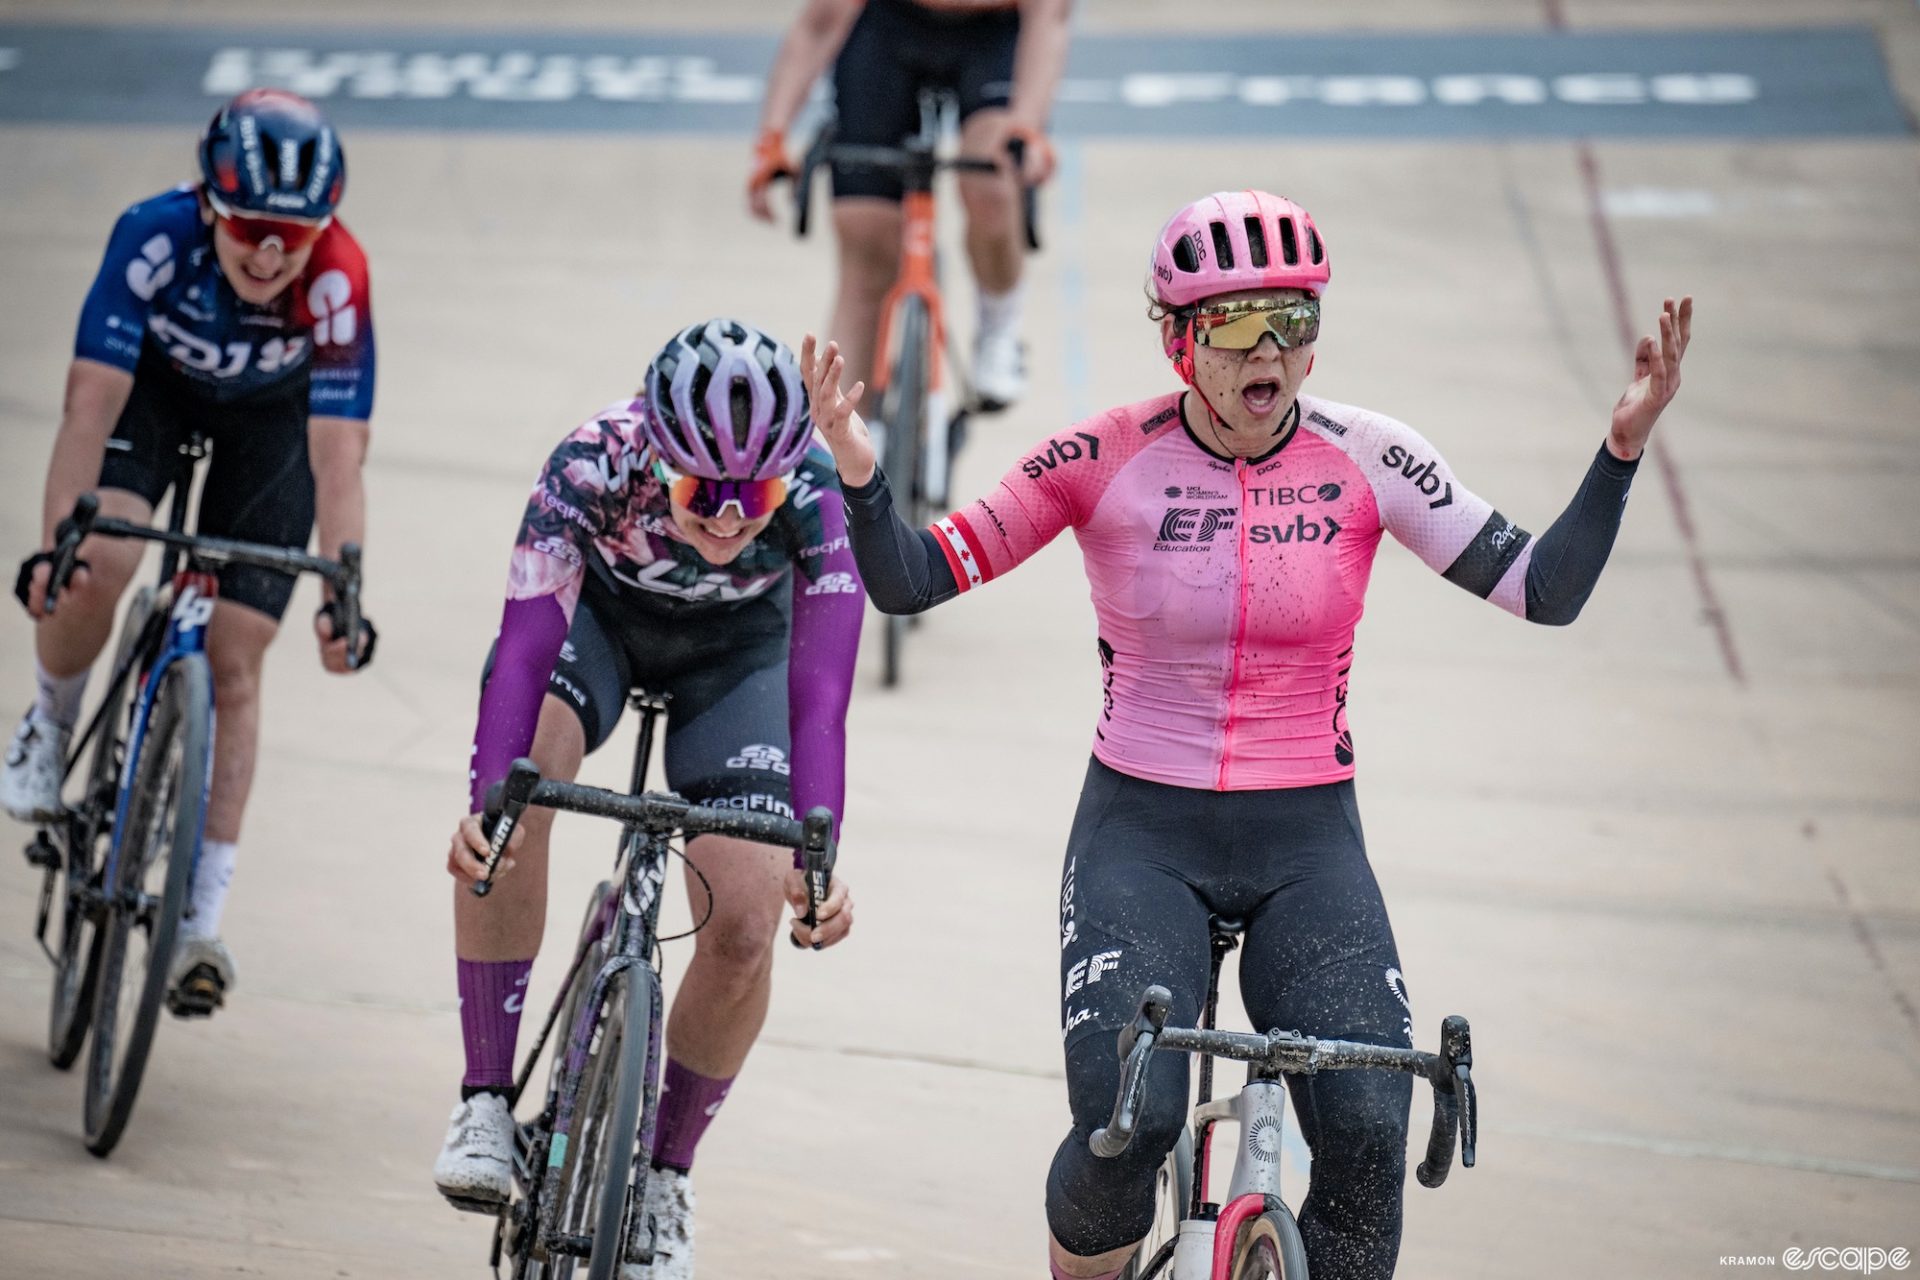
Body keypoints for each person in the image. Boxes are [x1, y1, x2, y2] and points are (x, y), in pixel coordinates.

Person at [802, 190, 1693, 1280]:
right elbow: (908, 577)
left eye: (1295, 318)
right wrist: (858, 465)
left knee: (1368, 1135)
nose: (1271, 348)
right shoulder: (1099, 455)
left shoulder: (1371, 455)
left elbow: (1544, 589)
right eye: (1234, 324)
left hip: (1306, 841)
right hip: (1144, 831)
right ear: (1181, 341)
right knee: (1126, 1129)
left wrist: (1619, 448)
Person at [434, 319, 862, 1280]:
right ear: (653, 449)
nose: (724, 516)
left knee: (748, 920)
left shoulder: (815, 491)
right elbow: (525, 640)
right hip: (601, 626)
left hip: (738, 657)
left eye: (749, 494)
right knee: (519, 796)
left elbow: (822, 692)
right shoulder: (593, 461)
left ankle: (667, 1171)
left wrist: (818, 853)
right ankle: (486, 1099)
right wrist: (488, 795)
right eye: (698, 490)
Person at [4, 89, 377, 1013]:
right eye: (250, 224)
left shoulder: (337, 277)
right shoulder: (152, 237)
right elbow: (88, 409)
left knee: (237, 653)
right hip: (154, 399)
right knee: (100, 568)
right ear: (211, 206)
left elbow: (339, 456)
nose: (268, 250)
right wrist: (60, 548)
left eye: (293, 233)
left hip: (272, 426)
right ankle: (49, 723)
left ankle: (199, 921)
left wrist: (345, 592)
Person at [747, 0, 1072, 411]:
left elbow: (1050, 15)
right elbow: (821, 22)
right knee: (864, 237)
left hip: (993, 33)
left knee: (992, 175)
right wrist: (771, 138)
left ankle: (999, 327)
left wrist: (1028, 126)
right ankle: (846, 442)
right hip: (890, 25)